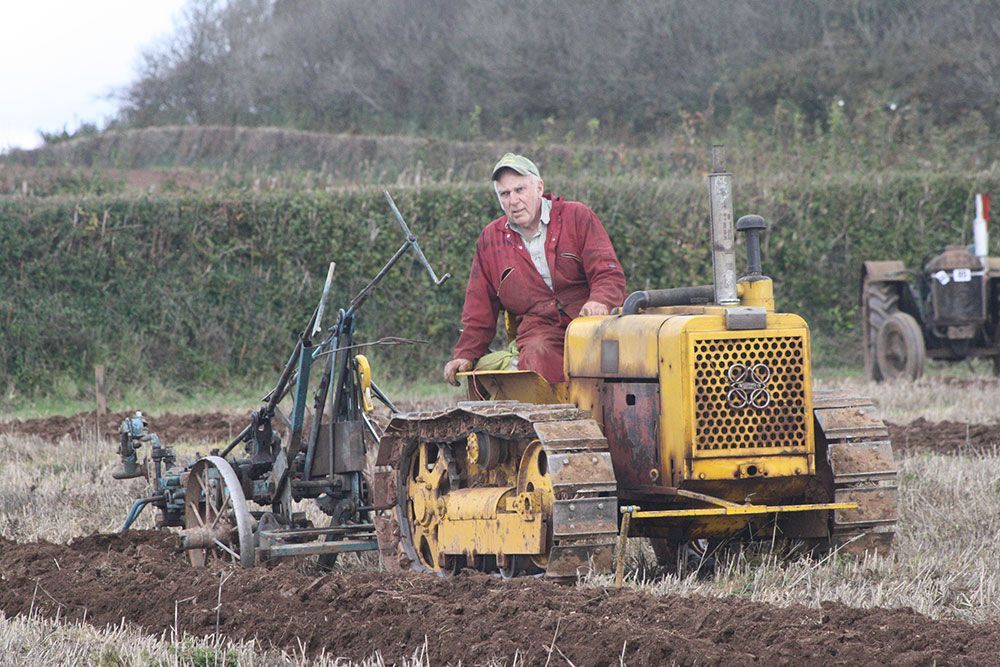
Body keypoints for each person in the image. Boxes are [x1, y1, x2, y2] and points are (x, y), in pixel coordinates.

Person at [444, 153, 626, 385]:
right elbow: (479, 306)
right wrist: (466, 353)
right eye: (505, 194)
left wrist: (600, 300)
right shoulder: (490, 240)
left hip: (593, 323)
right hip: (541, 330)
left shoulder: (577, 216)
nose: (513, 200)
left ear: (539, 187)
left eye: (520, 190)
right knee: (537, 353)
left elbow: (607, 271)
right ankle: (550, 419)